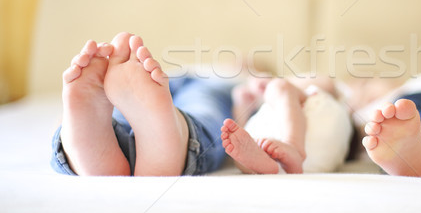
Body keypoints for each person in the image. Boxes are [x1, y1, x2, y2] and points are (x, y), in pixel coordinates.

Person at [51, 32, 352, 176]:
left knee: (199, 111)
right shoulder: (215, 70)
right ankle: (105, 136)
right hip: (160, 84)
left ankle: (101, 137)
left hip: (204, 89)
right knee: (133, 108)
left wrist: (249, 93)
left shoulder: (240, 81)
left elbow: (286, 93)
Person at [52, 32, 234, 176]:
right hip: (175, 83)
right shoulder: (239, 74)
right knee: (205, 110)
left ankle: (90, 136)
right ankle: (179, 137)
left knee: (121, 108)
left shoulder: (242, 78)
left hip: (207, 83)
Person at [221, 75, 353, 174]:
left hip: (300, 139)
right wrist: (243, 104)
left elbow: (325, 82)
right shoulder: (265, 113)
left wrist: (271, 82)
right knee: (236, 147)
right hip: (316, 162)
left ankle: (294, 148)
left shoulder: (333, 95)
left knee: (279, 86)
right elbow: (238, 133)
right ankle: (268, 166)